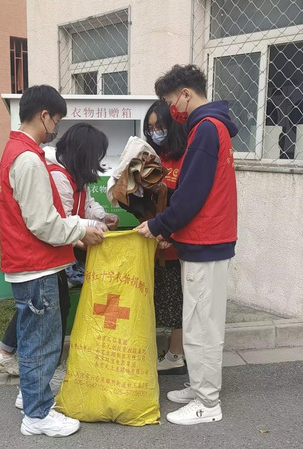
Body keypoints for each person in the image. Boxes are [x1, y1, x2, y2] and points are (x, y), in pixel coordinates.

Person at [0, 85, 105, 437]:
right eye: (56, 120)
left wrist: (78, 229)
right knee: (41, 344)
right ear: (44, 115)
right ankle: (38, 414)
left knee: (34, 340)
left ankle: (32, 400)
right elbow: (43, 223)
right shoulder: (29, 160)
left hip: (30, 263)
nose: (55, 128)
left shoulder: (19, 151)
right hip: (36, 264)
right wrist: (81, 231)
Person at [136, 65, 238, 426]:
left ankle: (207, 403)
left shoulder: (206, 128)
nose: (171, 110)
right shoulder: (210, 127)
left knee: (202, 326)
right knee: (197, 320)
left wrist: (159, 225)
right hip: (202, 239)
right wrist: (171, 229)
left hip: (206, 241)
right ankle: (198, 388)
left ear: (185, 94)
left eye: (170, 102)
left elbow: (192, 193)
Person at [0, 123, 119, 386]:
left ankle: (17, 364)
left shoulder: (74, 176)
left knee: (37, 309)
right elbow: (58, 220)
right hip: (47, 256)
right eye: (95, 155)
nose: (97, 161)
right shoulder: (56, 176)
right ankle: (39, 377)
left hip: (55, 253)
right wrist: (86, 231)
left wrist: (101, 216)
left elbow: (86, 205)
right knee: (43, 314)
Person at [142, 100, 188, 375]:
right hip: (156, 242)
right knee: (166, 301)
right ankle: (173, 352)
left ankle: (176, 355)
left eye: (159, 126)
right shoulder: (156, 157)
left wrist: (171, 233)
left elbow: (186, 204)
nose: (155, 132)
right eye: (151, 128)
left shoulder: (185, 157)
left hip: (175, 244)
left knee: (177, 302)